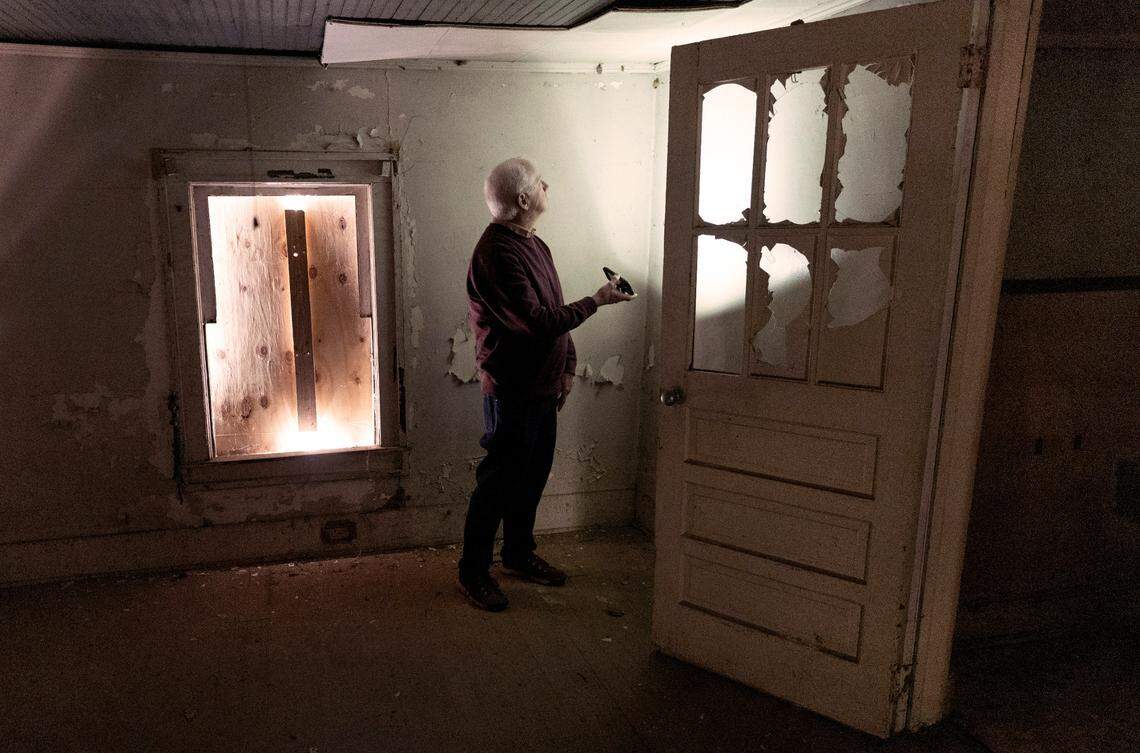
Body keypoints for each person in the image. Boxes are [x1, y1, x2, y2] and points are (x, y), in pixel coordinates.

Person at [458, 157, 634, 611]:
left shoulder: (534, 243)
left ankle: (517, 555)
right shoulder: (496, 253)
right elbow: (537, 322)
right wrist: (597, 300)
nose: (546, 186)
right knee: (497, 483)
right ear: (522, 200)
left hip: (542, 388)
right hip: (512, 391)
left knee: (531, 478)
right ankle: (473, 573)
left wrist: (568, 367)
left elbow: (553, 313)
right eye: (540, 183)